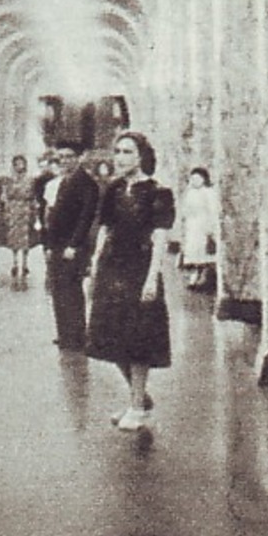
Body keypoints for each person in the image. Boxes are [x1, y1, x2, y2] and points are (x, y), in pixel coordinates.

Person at [86, 131, 174, 431]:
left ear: (141, 157)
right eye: (117, 151)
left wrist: (153, 278)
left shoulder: (159, 192)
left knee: (138, 338)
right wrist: (95, 263)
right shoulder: (112, 189)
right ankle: (139, 397)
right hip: (112, 267)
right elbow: (105, 227)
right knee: (110, 334)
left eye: (126, 152)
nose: (119, 157)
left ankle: (137, 406)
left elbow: (160, 237)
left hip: (139, 268)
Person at [44, 142, 100, 351]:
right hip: (59, 244)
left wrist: (74, 245)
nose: (65, 161)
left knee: (72, 290)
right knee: (59, 289)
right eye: (61, 157)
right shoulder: (64, 181)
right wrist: (50, 244)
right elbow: (55, 215)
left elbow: (86, 217)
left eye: (69, 156)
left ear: (79, 157)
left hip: (72, 246)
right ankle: (65, 333)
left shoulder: (87, 183)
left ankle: (76, 335)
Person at [177, 166, 221, 292]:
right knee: (194, 255)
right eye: (193, 178)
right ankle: (194, 277)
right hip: (192, 226)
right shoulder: (190, 192)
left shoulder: (209, 192)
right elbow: (185, 210)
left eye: (198, 178)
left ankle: (205, 279)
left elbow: (214, 210)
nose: (195, 181)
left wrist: (211, 228)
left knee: (205, 254)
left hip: (204, 225)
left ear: (204, 179)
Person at [3, 154, 37, 276]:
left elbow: (31, 194)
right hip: (13, 210)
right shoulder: (9, 179)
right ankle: (15, 263)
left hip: (26, 209)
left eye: (21, 163)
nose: (19, 166)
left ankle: (25, 263)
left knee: (26, 237)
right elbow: (8, 194)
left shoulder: (30, 179)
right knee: (13, 237)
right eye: (17, 164)